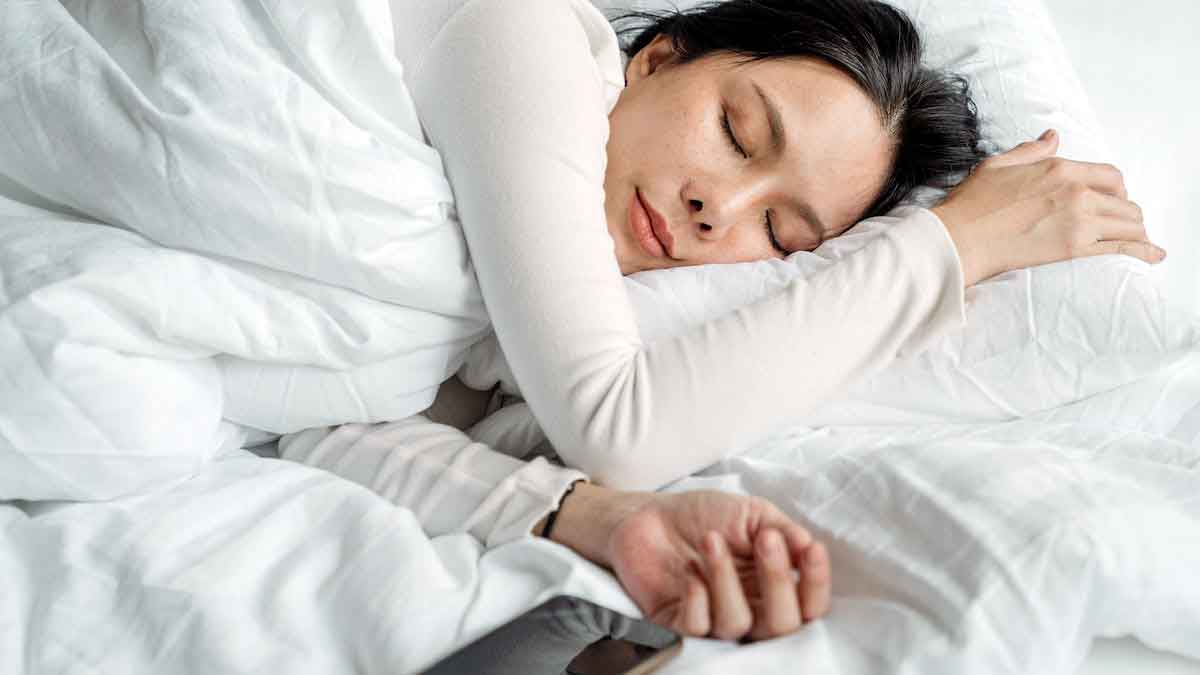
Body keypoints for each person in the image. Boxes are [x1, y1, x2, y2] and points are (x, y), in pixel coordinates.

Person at [281, 0, 1163, 670]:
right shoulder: (521, 32)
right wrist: (952, 246)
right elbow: (617, 426)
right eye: (738, 132)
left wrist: (587, 518)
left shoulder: (490, 324)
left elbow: (316, 427)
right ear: (658, 58)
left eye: (780, 235)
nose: (718, 208)